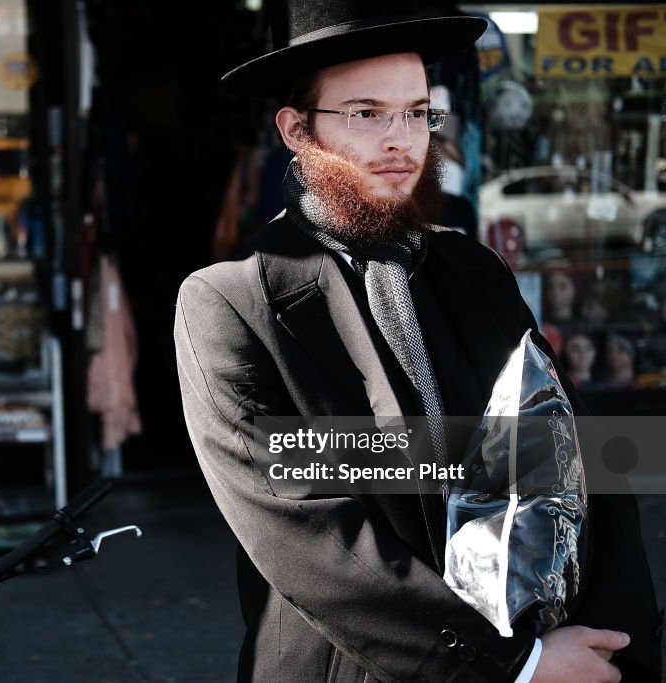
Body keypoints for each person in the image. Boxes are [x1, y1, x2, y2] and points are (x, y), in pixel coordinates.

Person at [173, 2, 662, 682]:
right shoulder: (231, 302)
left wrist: (619, 651)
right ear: (295, 129)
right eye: (366, 113)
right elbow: (313, 541)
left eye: (417, 111)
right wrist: (517, 666)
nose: (401, 138)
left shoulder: (474, 270)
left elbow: (576, 459)